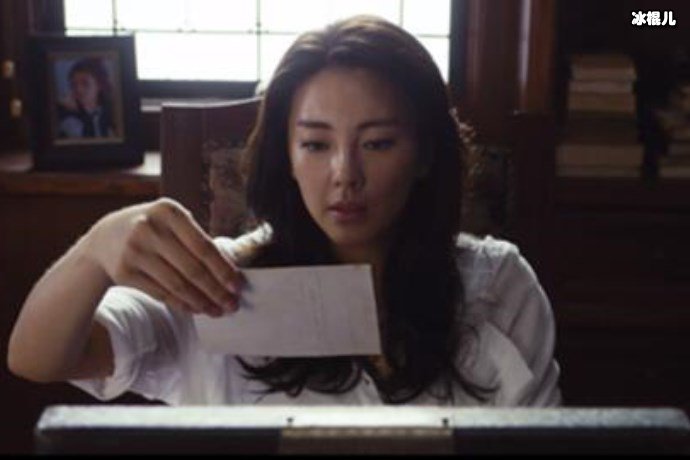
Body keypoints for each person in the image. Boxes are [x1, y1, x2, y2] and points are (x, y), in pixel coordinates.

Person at [8, 16, 561, 406]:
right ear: (287, 157)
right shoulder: (214, 283)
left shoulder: (497, 284)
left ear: (424, 154)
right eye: (316, 144)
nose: (345, 173)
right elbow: (38, 359)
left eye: (378, 143)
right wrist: (96, 250)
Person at [56, 57, 116, 139]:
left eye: (85, 83)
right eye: (73, 85)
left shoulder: (110, 113)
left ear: (99, 85)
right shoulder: (69, 119)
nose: (78, 90)